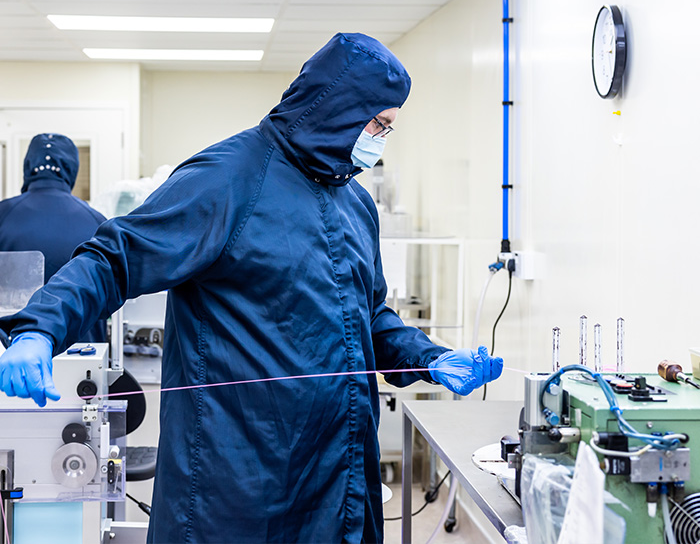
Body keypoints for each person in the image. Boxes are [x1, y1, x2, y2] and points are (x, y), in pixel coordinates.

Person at [0, 33, 503, 544]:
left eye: (389, 128)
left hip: (339, 475)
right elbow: (116, 258)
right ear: (337, 109)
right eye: (378, 124)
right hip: (236, 486)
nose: (380, 139)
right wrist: (38, 331)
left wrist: (429, 359)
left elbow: (370, 318)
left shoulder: (356, 204)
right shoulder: (228, 179)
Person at [0, 133, 107, 343]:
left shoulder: (3, 215)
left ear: (28, 165)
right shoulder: (97, 222)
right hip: (83, 360)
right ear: (72, 168)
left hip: (10, 355)